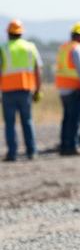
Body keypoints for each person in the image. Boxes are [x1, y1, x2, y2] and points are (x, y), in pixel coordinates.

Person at [1, 19, 43, 162]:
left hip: (7, 91)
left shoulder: (4, 48)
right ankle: (32, 152)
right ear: (21, 33)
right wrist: (38, 90)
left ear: (9, 33)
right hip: (26, 90)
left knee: (10, 123)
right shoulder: (30, 47)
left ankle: (12, 153)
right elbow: (38, 70)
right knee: (27, 121)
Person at [55, 22, 80, 156]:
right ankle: (72, 146)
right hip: (74, 89)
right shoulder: (77, 48)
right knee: (74, 119)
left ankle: (65, 145)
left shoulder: (64, 47)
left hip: (62, 88)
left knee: (67, 118)